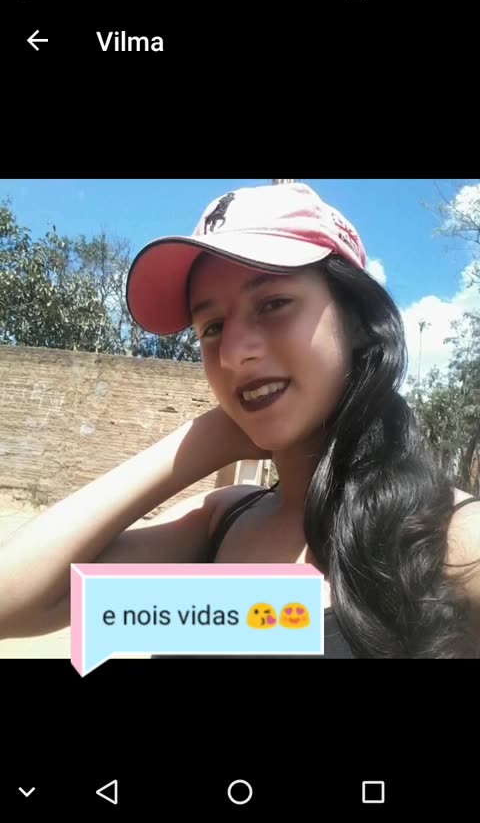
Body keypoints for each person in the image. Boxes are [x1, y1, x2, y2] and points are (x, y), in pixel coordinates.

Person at [1, 182, 479, 658]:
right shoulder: (218, 524)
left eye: (273, 304)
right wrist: (204, 438)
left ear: (355, 318)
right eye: (211, 327)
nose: (232, 354)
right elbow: (15, 604)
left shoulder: (452, 542)